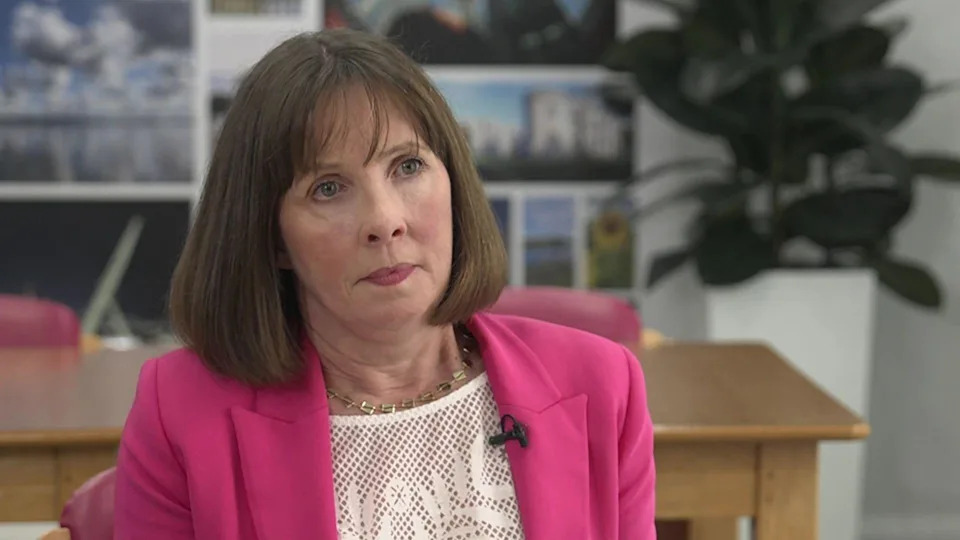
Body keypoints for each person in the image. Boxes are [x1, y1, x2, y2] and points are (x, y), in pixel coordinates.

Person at [114, 28, 656, 539]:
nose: (385, 220)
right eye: (328, 188)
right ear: (272, 239)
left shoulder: (602, 385)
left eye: (407, 167)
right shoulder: (180, 413)